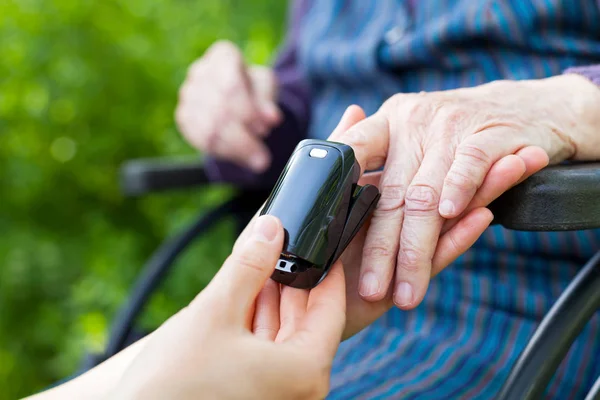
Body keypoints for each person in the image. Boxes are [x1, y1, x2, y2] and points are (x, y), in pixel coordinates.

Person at [175, 0, 600, 398]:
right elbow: (309, 101)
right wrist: (247, 109)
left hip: (535, 319)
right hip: (319, 308)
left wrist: (567, 103)